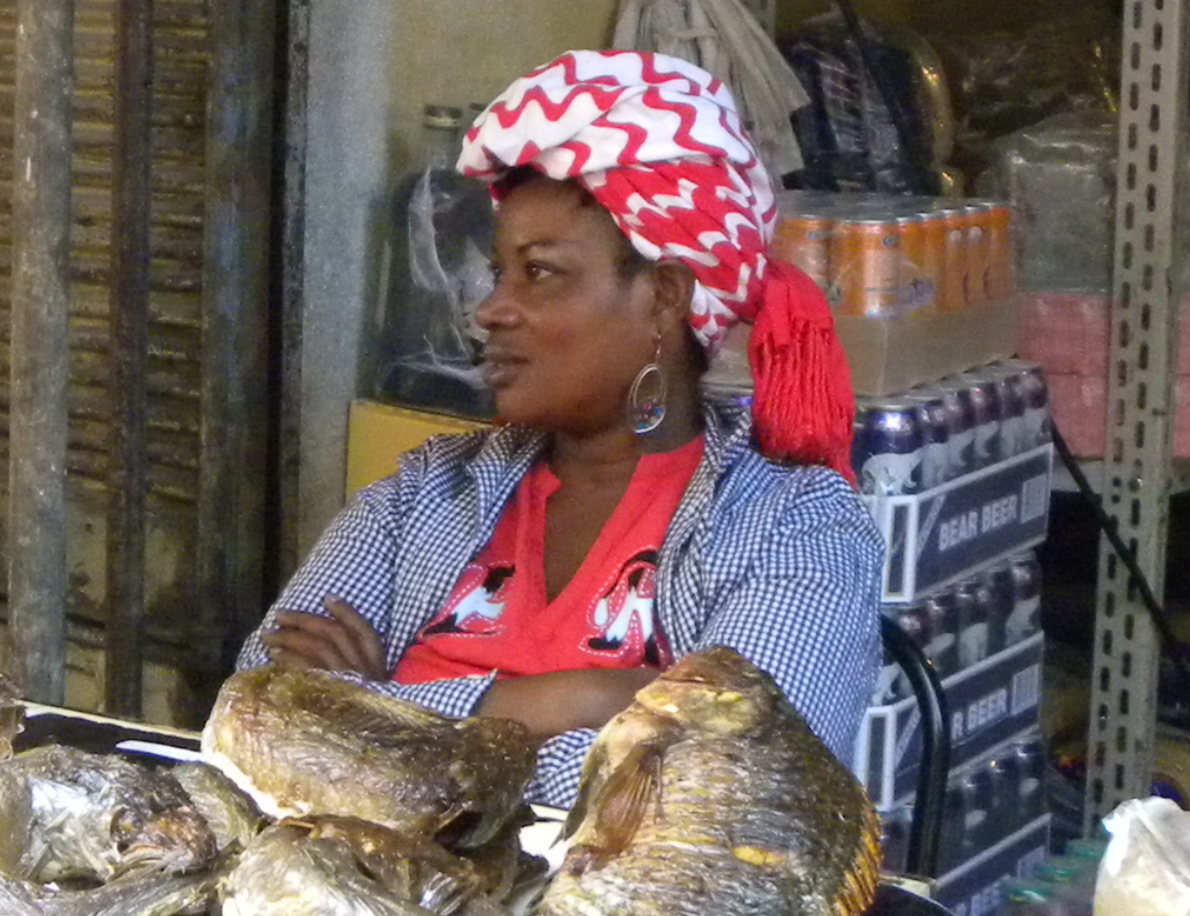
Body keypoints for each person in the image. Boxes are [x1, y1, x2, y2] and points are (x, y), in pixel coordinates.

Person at [236, 49, 885, 809]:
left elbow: (731, 787)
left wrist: (386, 705)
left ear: (664, 300)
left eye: (539, 273)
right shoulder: (426, 492)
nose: (490, 309)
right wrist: (582, 699)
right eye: (498, 271)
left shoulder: (794, 525)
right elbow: (261, 708)